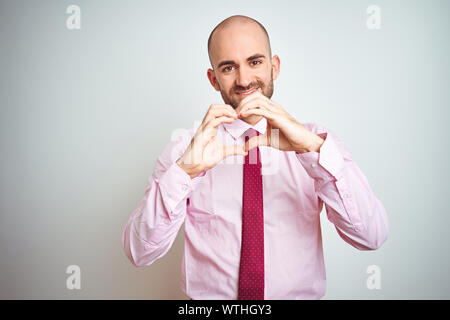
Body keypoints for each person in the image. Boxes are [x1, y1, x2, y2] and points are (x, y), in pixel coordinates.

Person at [122, 15, 389, 300]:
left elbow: (370, 237)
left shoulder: (318, 144)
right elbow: (140, 253)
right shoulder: (184, 150)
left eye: (255, 62)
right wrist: (185, 171)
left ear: (274, 66)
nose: (244, 79)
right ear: (214, 79)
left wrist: (312, 150)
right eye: (228, 67)